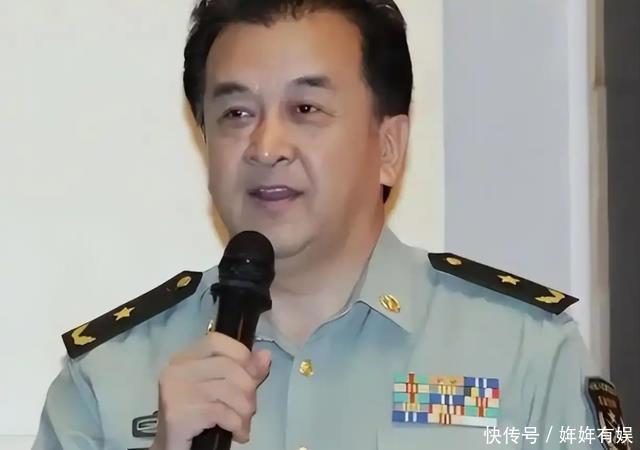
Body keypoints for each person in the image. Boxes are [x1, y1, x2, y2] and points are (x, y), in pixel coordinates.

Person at [33, 1, 628, 449]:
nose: (266, 146)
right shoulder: (104, 381)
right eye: (236, 112)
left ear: (389, 147)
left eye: (306, 109)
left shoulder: (528, 354)